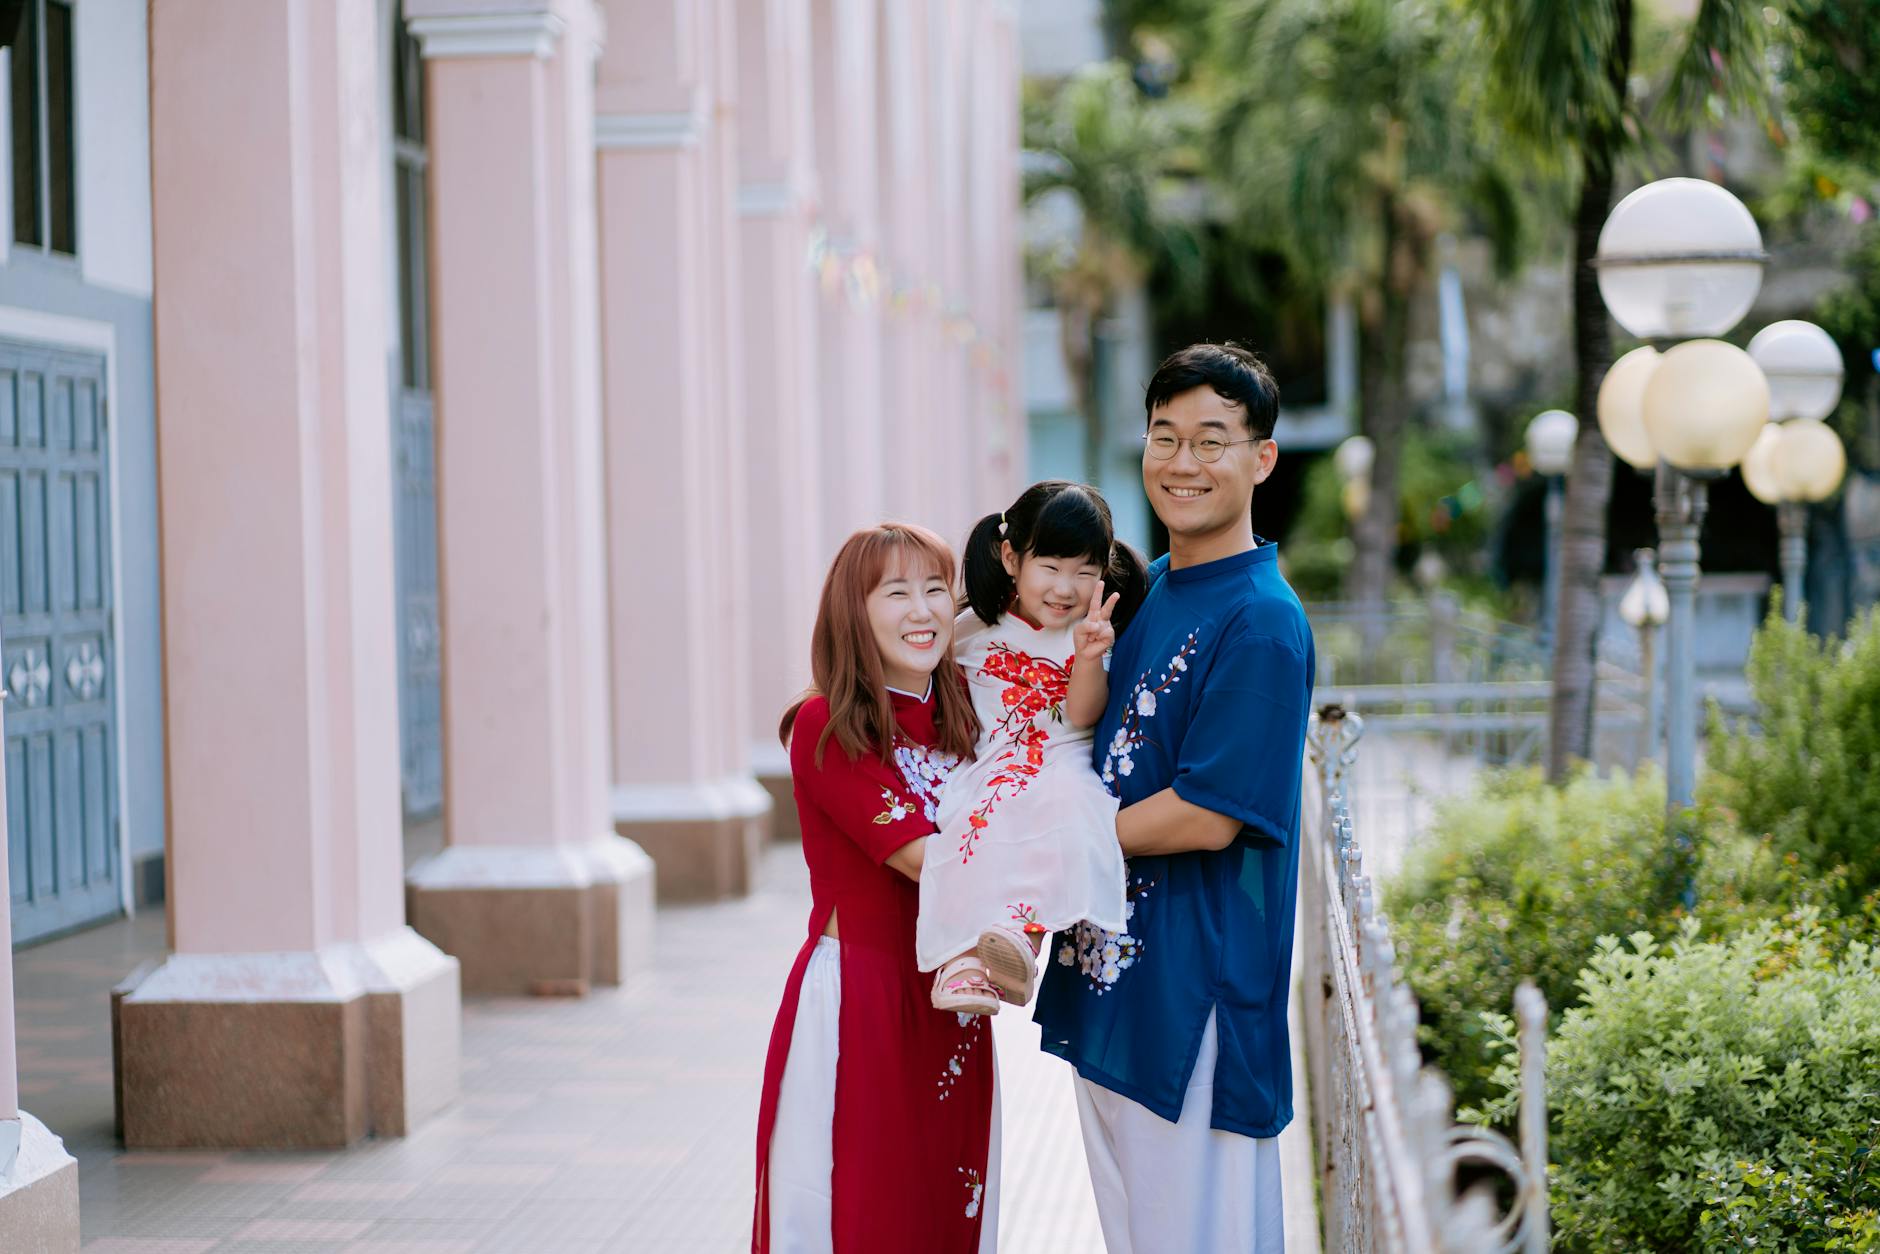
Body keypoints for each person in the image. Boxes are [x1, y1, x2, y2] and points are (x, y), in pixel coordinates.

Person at [1034, 343, 1315, 1253]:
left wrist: (1051, 851)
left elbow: (1209, 809)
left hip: (1195, 995)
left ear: (1261, 458)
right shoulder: (1148, 587)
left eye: (1211, 441)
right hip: (1112, 973)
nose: (1182, 463)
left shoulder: (1262, 618)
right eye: (1165, 437)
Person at [753, 524, 999, 1254]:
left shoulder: (962, 709)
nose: (922, 610)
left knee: (946, 1206)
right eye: (896, 593)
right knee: (860, 1211)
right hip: (862, 999)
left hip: (955, 997)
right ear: (852, 612)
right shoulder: (824, 723)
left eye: (934, 590)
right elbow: (927, 857)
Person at [916, 481, 1147, 1014]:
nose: (1066, 587)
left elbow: (1083, 715)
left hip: (1061, 757)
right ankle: (964, 960)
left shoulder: (1093, 632)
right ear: (1011, 557)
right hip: (992, 759)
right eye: (1051, 566)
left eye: (1084, 571)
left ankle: (1023, 938)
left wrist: (1088, 657)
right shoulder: (970, 629)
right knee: (967, 822)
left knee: (1065, 810)